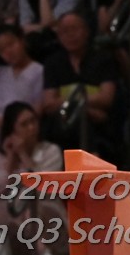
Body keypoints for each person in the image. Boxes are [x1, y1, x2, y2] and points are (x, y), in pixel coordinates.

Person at [0, 100, 66, 255]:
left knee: (29, 205)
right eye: (24, 124)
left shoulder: (50, 151)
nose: (31, 128)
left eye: (33, 121)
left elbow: (42, 186)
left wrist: (23, 155)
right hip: (15, 221)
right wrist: (11, 159)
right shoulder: (2, 156)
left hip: (47, 212)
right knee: (3, 209)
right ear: (12, 130)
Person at [41, 11, 124, 163]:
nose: (70, 35)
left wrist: (67, 102)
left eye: (74, 29)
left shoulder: (103, 59)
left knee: (85, 122)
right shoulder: (53, 63)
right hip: (64, 123)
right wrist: (85, 108)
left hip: (100, 126)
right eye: (65, 31)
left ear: (86, 31)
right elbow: (49, 103)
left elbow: (106, 98)